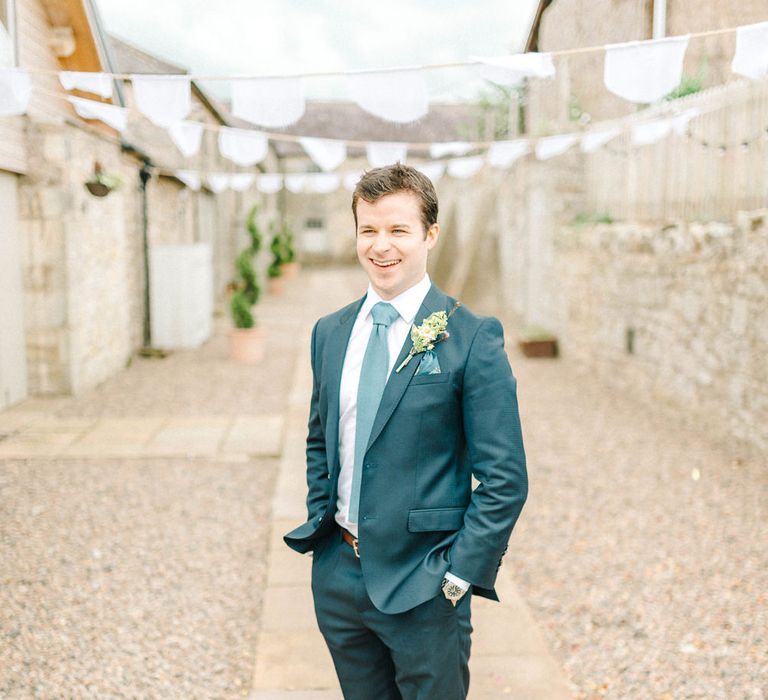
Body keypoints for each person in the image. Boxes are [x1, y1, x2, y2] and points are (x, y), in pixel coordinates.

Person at [283, 162, 527, 699]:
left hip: (426, 586)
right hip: (339, 579)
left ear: (429, 234)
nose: (381, 246)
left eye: (398, 230)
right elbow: (321, 439)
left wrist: (460, 574)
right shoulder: (329, 332)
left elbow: (505, 478)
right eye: (368, 230)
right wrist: (324, 533)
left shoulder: (470, 337)